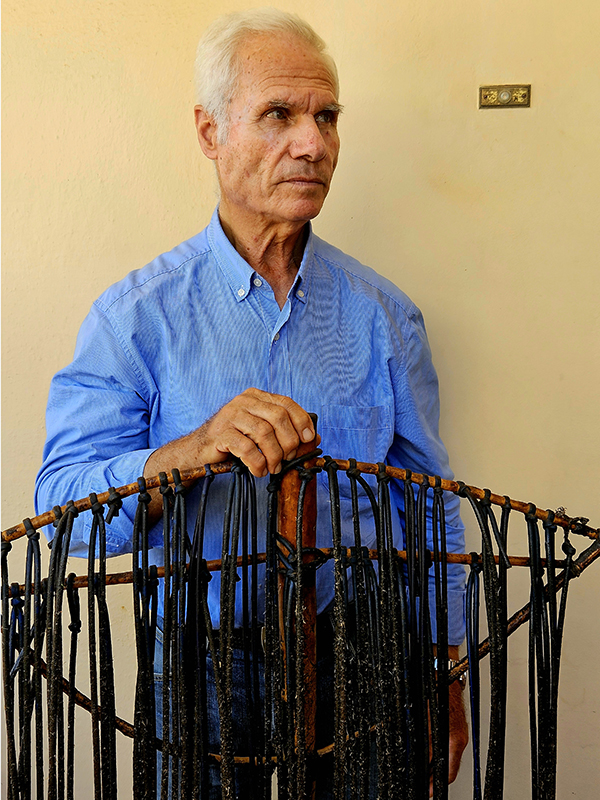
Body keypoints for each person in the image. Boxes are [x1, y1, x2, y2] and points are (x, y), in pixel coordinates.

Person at [35, 8, 468, 797]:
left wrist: (444, 668)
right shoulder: (135, 318)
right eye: (279, 114)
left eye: (326, 116)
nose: (313, 143)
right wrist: (188, 451)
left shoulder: (384, 316)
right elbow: (61, 513)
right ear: (210, 132)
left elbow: (428, 505)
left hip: (357, 645)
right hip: (193, 653)